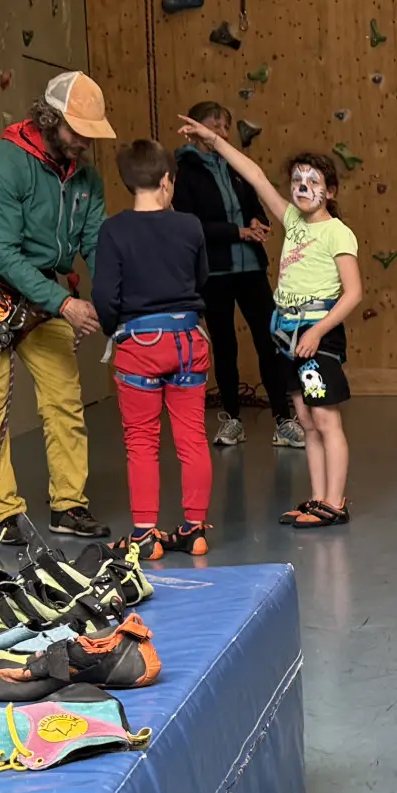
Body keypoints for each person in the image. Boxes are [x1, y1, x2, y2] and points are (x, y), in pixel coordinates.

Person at [0, 70, 111, 540]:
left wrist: (112, 302)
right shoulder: (3, 166)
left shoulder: (87, 179)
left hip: (40, 284)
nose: (84, 141)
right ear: (49, 118)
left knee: (64, 398)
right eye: (76, 130)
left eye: (90, 133)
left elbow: (96, 244)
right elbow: (0, 252)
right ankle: (4, 515)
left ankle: (69, 506)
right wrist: (65, 304)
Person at [183, 122, 360, 530]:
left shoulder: (337, 233)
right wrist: (216, 142)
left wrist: (317, 332)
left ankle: (336, 502)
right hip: (288, 338)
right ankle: (319, 498)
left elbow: (353, 293)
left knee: (326, 420)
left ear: (330, 191)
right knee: (307, 421)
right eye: (297, 181)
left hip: (317, 338)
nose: (303, 188)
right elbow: (256, 176)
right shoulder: (293, 222)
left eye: (313, 182)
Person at [89, 140, 215, 554]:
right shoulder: (190, 226)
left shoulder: (113, 230)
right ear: (166, 180)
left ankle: (145, 535)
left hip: (140, 344)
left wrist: (114, 328)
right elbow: (201, 278)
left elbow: (105, 295)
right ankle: (194, 530)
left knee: (142, 442)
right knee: (192, 438)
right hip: (187, 340)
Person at [174, 101, 299, 453]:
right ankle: (231, 419)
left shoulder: (236, 166)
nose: (222, 133)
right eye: (214, 126)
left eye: (225, 126)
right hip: (214, 272)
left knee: (270, 341)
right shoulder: (184, 171)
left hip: (252, 269)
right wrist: (236, 232)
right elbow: (190, 224)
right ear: (195, 130)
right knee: (225, 346)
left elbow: (256, 207)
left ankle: (283, 419)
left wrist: (258, 223)